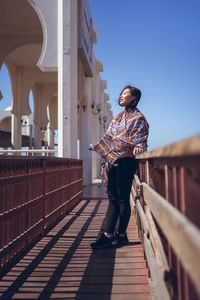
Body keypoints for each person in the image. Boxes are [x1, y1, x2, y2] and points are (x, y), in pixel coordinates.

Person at [90, 85, 149, 249]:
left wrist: (139, 146)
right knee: (113, 199)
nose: (121, 96)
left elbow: (140, 139)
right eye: (121, 93)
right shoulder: (117, 117)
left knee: (122, 199)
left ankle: (119, 235)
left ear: (134, 98)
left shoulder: (138, 118)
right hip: (113, 162)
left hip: (126, 162)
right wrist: (100, 146)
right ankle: (110, 235)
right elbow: (110, 137)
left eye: (125, 94)